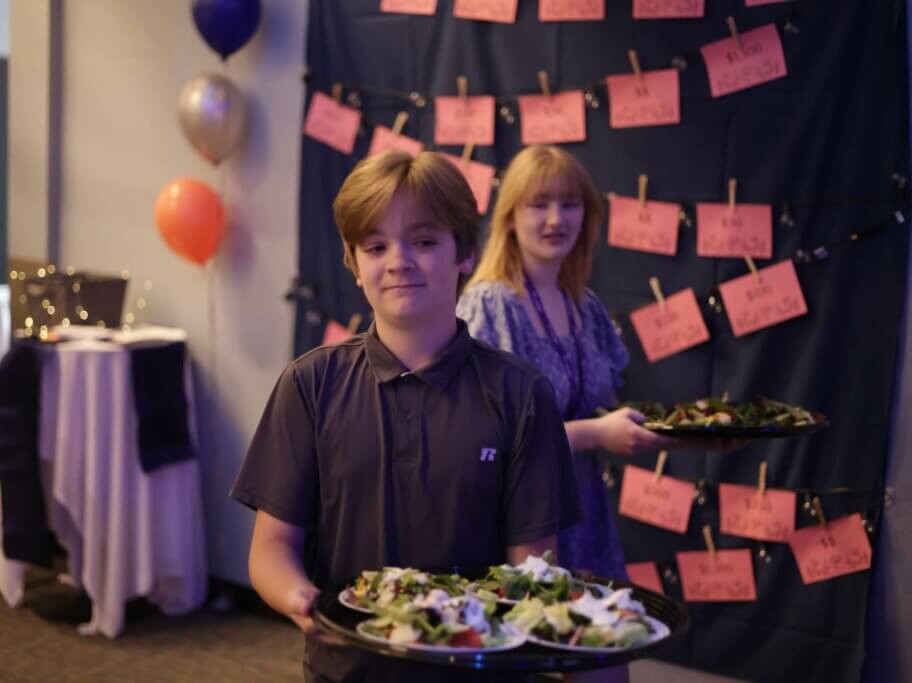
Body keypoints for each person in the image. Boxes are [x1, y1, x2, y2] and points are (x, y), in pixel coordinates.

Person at [231, 151, 579, 683]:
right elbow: (272, 547)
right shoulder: (309, 385)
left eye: (423, 241)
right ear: (353, 263)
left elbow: (533, 566)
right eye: (375, 246)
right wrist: (301, 598)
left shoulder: (523, 394)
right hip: (347, 669)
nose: (398, 261)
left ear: (464, 253)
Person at [458, 145, 677, 584]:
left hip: (585, 512)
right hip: (517, 520)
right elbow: (483, 440)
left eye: (569, 204)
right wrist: (598, 434)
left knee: (601, 644)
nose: (557, 219)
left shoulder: (586, 306)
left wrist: (688, 436)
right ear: (510, 218)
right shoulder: (491, 304)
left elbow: (605, 408)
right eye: (539, 205)